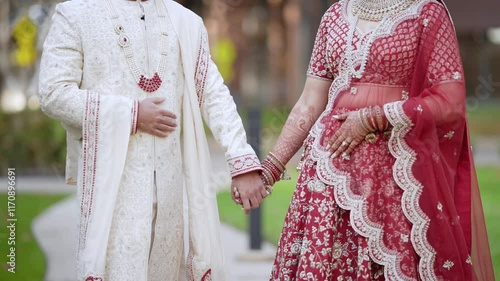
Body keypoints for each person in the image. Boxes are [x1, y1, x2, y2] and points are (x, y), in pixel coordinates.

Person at [259, 0, 495, 280]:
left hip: (394, 178)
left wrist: (375, 117)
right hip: (326, 177)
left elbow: (450, 100)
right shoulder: (335, 14)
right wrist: (271, 167)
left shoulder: (426, 12)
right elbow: (310, 101)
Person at [38, 0, 268, 280]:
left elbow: (213, 94)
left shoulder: (185, 22)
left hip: (171, 196)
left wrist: (240, 158)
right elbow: (53, 93)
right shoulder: (76, 13)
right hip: (113, 194)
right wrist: (132, 114)